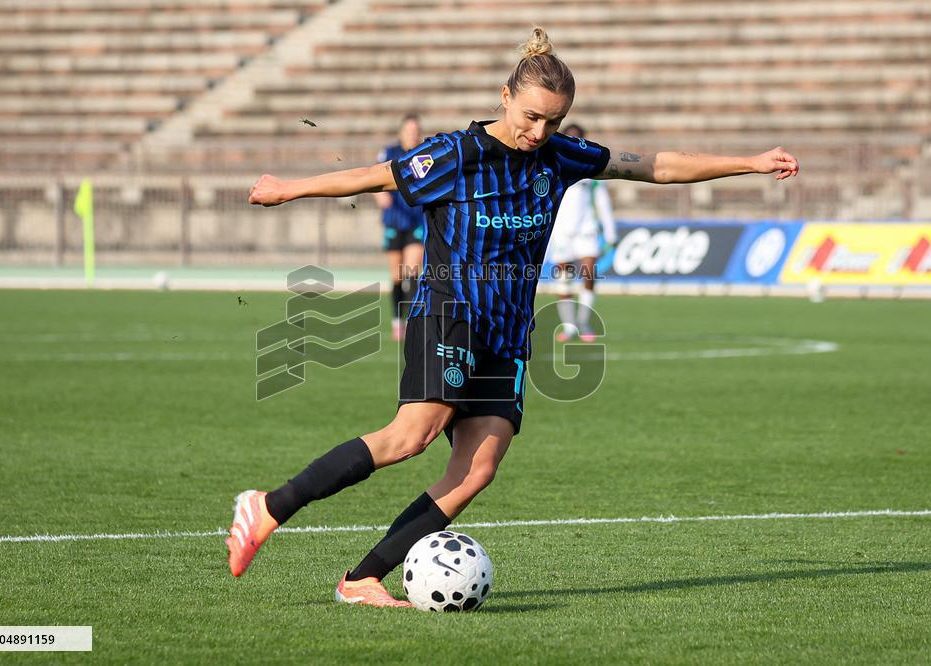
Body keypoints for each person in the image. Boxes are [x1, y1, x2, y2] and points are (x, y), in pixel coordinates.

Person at [235, 27, 799, 607]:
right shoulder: (456, 154)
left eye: (553, 121)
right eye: (532, 117)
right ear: (505, 97)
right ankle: (269, 507)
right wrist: (287, 189)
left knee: (476, 470)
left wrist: (750, 163)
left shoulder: (560, 158)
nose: (539, 132)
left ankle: (362, 579)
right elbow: (376, 176)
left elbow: (655, 166)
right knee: (412, 436)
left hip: (506, 334)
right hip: (448, 315)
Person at [544, 123, 617, 342]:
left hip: (586, 230)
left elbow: (603, 203)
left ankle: (584, 320)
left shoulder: (591, 171)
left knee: (588, 273)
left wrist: (611, 234)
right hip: (561, 232)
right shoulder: (553, 167)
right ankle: (568, 327)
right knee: (564, 279)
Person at [374, 114, 426, 340]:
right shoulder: (389, 154)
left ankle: (414, 321)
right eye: (409, 131)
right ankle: (398, 321)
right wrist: (380, 198)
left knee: (412, 272)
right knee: (396, 276)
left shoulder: (425, 154)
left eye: (416, 131)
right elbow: (375, 179)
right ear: (401, 133)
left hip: (417, 220)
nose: (412, 135)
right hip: (395, 220)